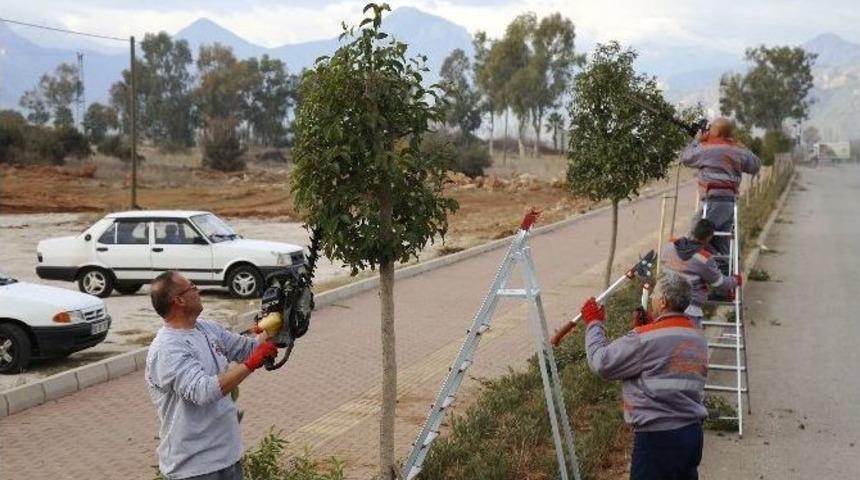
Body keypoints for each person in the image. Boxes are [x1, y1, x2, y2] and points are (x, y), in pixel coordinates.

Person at [145, 271, 278, 480]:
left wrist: (276, 321)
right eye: (192, 287)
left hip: (228, 457)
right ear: (178, 300)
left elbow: (249, 349)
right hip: (194, 468)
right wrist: (251, 364)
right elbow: (203, 391)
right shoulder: (167, 349)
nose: (199, 291)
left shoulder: (207, 329)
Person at [582, 271, 708, 480]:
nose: (651, 300)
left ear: (663, 301)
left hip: (657, 440)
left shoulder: (644, 339)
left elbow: (601, 362)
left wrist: (594, 324)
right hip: (691, 436)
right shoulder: (698, 337)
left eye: (654, 296)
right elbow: (666, 361)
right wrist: (651, 327)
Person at [681, 117, 761, 255]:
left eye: (711, 127)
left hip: (712, 200)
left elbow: (686, 158)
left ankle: (709, 264)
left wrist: (697, 140)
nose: (708, 129)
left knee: (695, 234)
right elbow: (755, 165)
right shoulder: (737, 150)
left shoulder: (706, 148)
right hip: (730, 202)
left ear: (716, 131)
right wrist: (744, 147)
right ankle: (725, 270)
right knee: (722, 240)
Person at [661, 219, 741, 328]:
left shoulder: (670, 246)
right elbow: (720, 283)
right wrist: (736, 280)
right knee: (689, 342)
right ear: (709, 237)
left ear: (693, 231)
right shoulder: (704, 259)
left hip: (664, 304)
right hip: (689, 309)